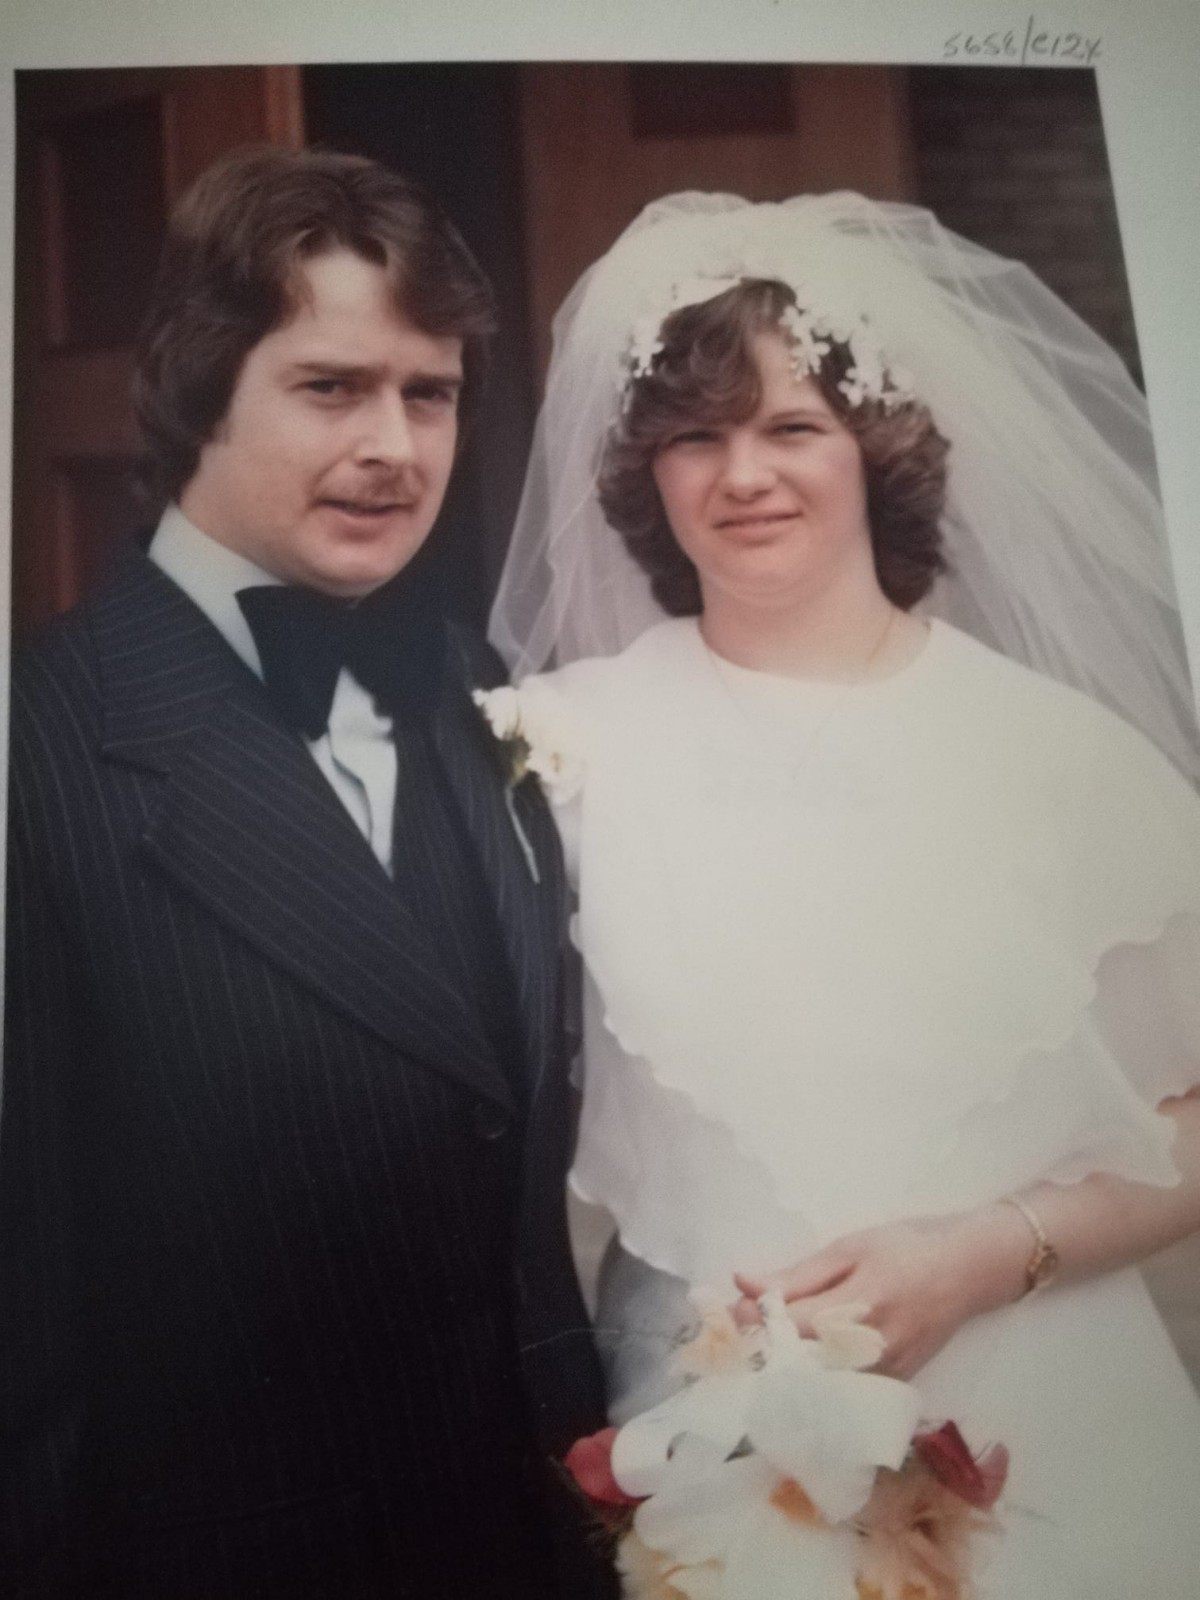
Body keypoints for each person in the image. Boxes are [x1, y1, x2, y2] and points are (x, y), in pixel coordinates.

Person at [489, 192, 1200, 1596]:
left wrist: (986, 1253)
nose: (742, 473)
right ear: (648, 474)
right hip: (709, 1450)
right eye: (696, 435)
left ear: (875, 451)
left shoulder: (1059, 759)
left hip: (1043, 1421)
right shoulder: (556, 747)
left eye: (790, 426)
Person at [0, 146, 612, 1598]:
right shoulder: (39, 747)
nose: (396, 446)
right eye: (331, 387)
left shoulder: (482, 690)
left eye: (432, 393)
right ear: (194, 387)